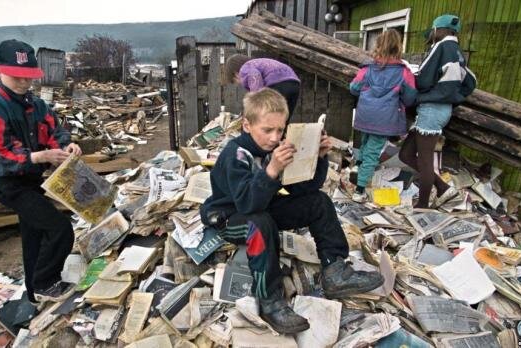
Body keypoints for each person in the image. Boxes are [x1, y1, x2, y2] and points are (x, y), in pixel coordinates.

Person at [200, 88, 383, 334]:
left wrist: (317, 158)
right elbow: (246, 204)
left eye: (280, 130)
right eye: (267, 130)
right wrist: (271, 170)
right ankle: (270, 300)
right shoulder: (236, 155)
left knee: (318, 202)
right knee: (259, 222)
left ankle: (335, 269)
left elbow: (303, 190)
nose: (275, 137)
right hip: (229, 218)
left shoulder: (272, 149)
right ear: (246, 125)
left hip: (261, 206)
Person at [0, 39, 82, 303]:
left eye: (28, 78)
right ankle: (46, 282)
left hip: (32, 181)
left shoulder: (37, 105)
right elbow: (2, 153)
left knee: (33, 236)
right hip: (10, 184)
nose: (24, 83)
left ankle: (33, 292)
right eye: (17, 77)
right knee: (60, 228)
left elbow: (55, 131)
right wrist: (39, 156)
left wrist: (66, 145)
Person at [398, 14, 476, 208]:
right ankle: (442, 187)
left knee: (425, 162)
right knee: (406, 154)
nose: (432, 34)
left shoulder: (441, 46)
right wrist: (452, 98)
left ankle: (422, 206)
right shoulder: (458, 52)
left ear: (440, 30)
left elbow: (423, 78)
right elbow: (471, 82)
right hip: (440, 111)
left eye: (434, 30)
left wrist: (416, 85)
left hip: (431, 110)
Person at [349, 30, 417, 202]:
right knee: (373, 152)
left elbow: (353, 88)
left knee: (364, 141)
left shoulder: (367, 68)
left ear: (378, 45)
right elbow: (410, 98)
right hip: (385, 119)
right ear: (398, 46)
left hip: (365, 114)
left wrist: (367, 91)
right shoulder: (404, 72)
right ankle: (359, 191)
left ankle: (358, 167)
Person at [224, 55, 301, 123]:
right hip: (295, 83)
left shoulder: (245, 68)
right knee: (283, 118)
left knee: (268, 117)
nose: (239, 84)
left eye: (235, 81)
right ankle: (281, 137)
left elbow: (255, 75)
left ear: (236, 74)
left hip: (278, 83)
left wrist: (254, 101)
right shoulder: (258, 63)